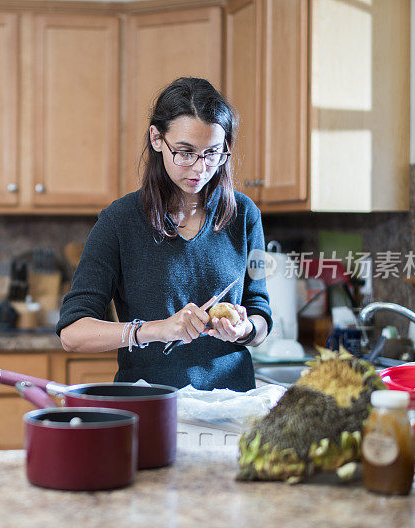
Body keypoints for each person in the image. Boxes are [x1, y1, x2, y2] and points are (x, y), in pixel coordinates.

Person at [56, 77, 272, 392]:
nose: (200, 168)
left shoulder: (244, 215)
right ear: (157, 139)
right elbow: (73, 333)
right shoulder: (119, 221)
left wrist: (244, 329)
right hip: (152, 405)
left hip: (232, 405)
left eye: (213, 153)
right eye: (185, 152)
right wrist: (157, 330)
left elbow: (261, 312)